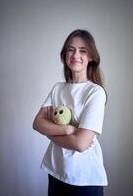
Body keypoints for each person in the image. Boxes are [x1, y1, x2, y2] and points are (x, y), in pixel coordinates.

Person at [33, 29, 108, 196]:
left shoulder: (95, 92)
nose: (75, 55)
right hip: (55, 170)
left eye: (83, 50)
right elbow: (37, 123)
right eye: (71, 49)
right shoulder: (58, 88)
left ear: (91, 57)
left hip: (84, 179)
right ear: (64, 54)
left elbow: (80, 144)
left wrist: (49, 132)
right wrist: (68, 130)